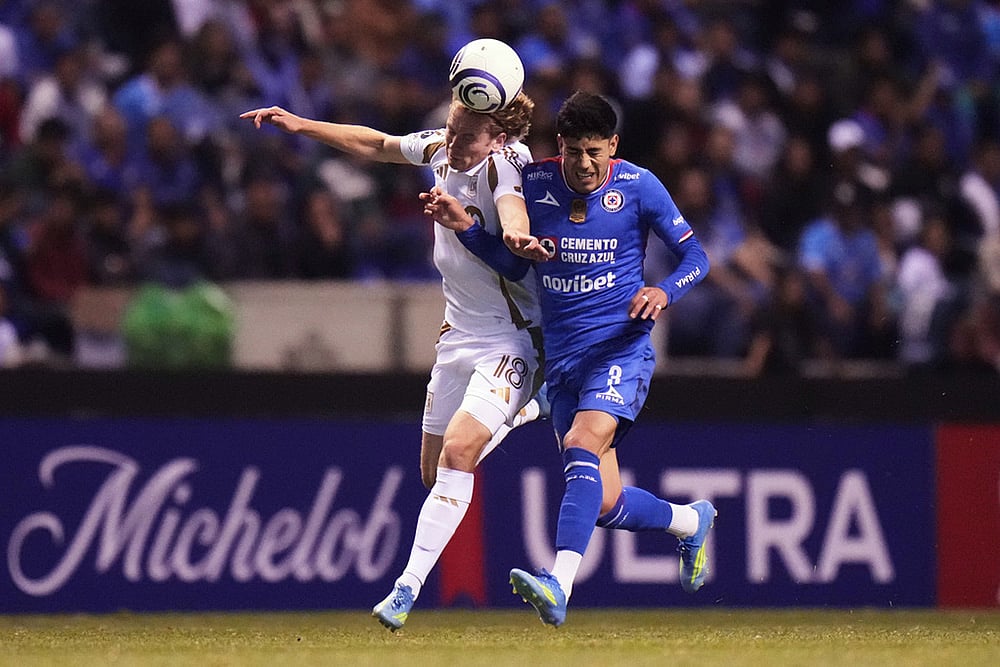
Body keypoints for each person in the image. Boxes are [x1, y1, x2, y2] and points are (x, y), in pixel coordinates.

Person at [240, 86, 547, 631]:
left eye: (466, 139)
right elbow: (378, 143)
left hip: (510, 340)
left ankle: (406, 589)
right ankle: (526, 411)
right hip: (457, 337)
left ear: (497, 138)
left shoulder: (506, 167)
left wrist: (511, 237)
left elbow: (514, 226)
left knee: (458, 454)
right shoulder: (441, 149)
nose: (453, 147)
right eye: (450, 133)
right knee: (433, 473)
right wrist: (300, 123)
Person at [423, 91, 716, 627]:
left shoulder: (639, 186)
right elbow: (513, 269)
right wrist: (467, 227)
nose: (584, 164)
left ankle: (558, 585)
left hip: (620, 351)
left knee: (583, 443)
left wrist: (664, 292)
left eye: (595, 152)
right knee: (603, 504)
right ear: (559, 146)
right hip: (562, 363)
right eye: (575, 151)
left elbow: (697, 257)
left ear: (613, 147)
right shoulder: (534, 185)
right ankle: (688, 520)